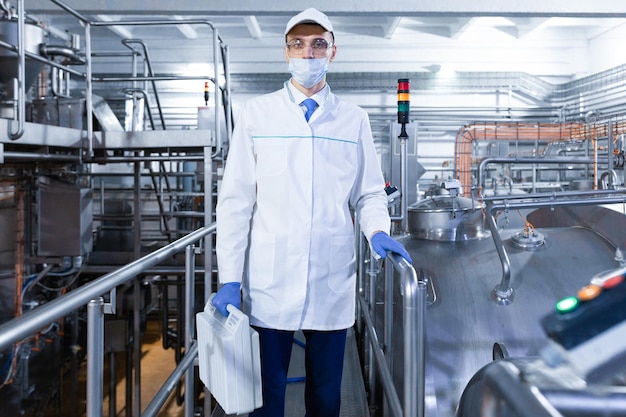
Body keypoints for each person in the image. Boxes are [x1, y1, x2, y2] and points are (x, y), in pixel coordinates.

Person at [212, 8, 412, 417]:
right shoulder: (256, 114)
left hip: (330, 279)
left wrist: (377, 231)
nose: (308, 53)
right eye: (298, 45)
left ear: (333, 51)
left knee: (325, 398)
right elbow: (235, 203)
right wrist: (230, 278)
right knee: (264, 399)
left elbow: (370, 193)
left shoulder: (353, 119)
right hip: (269, 281)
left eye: (318, 44)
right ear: (285, 52)